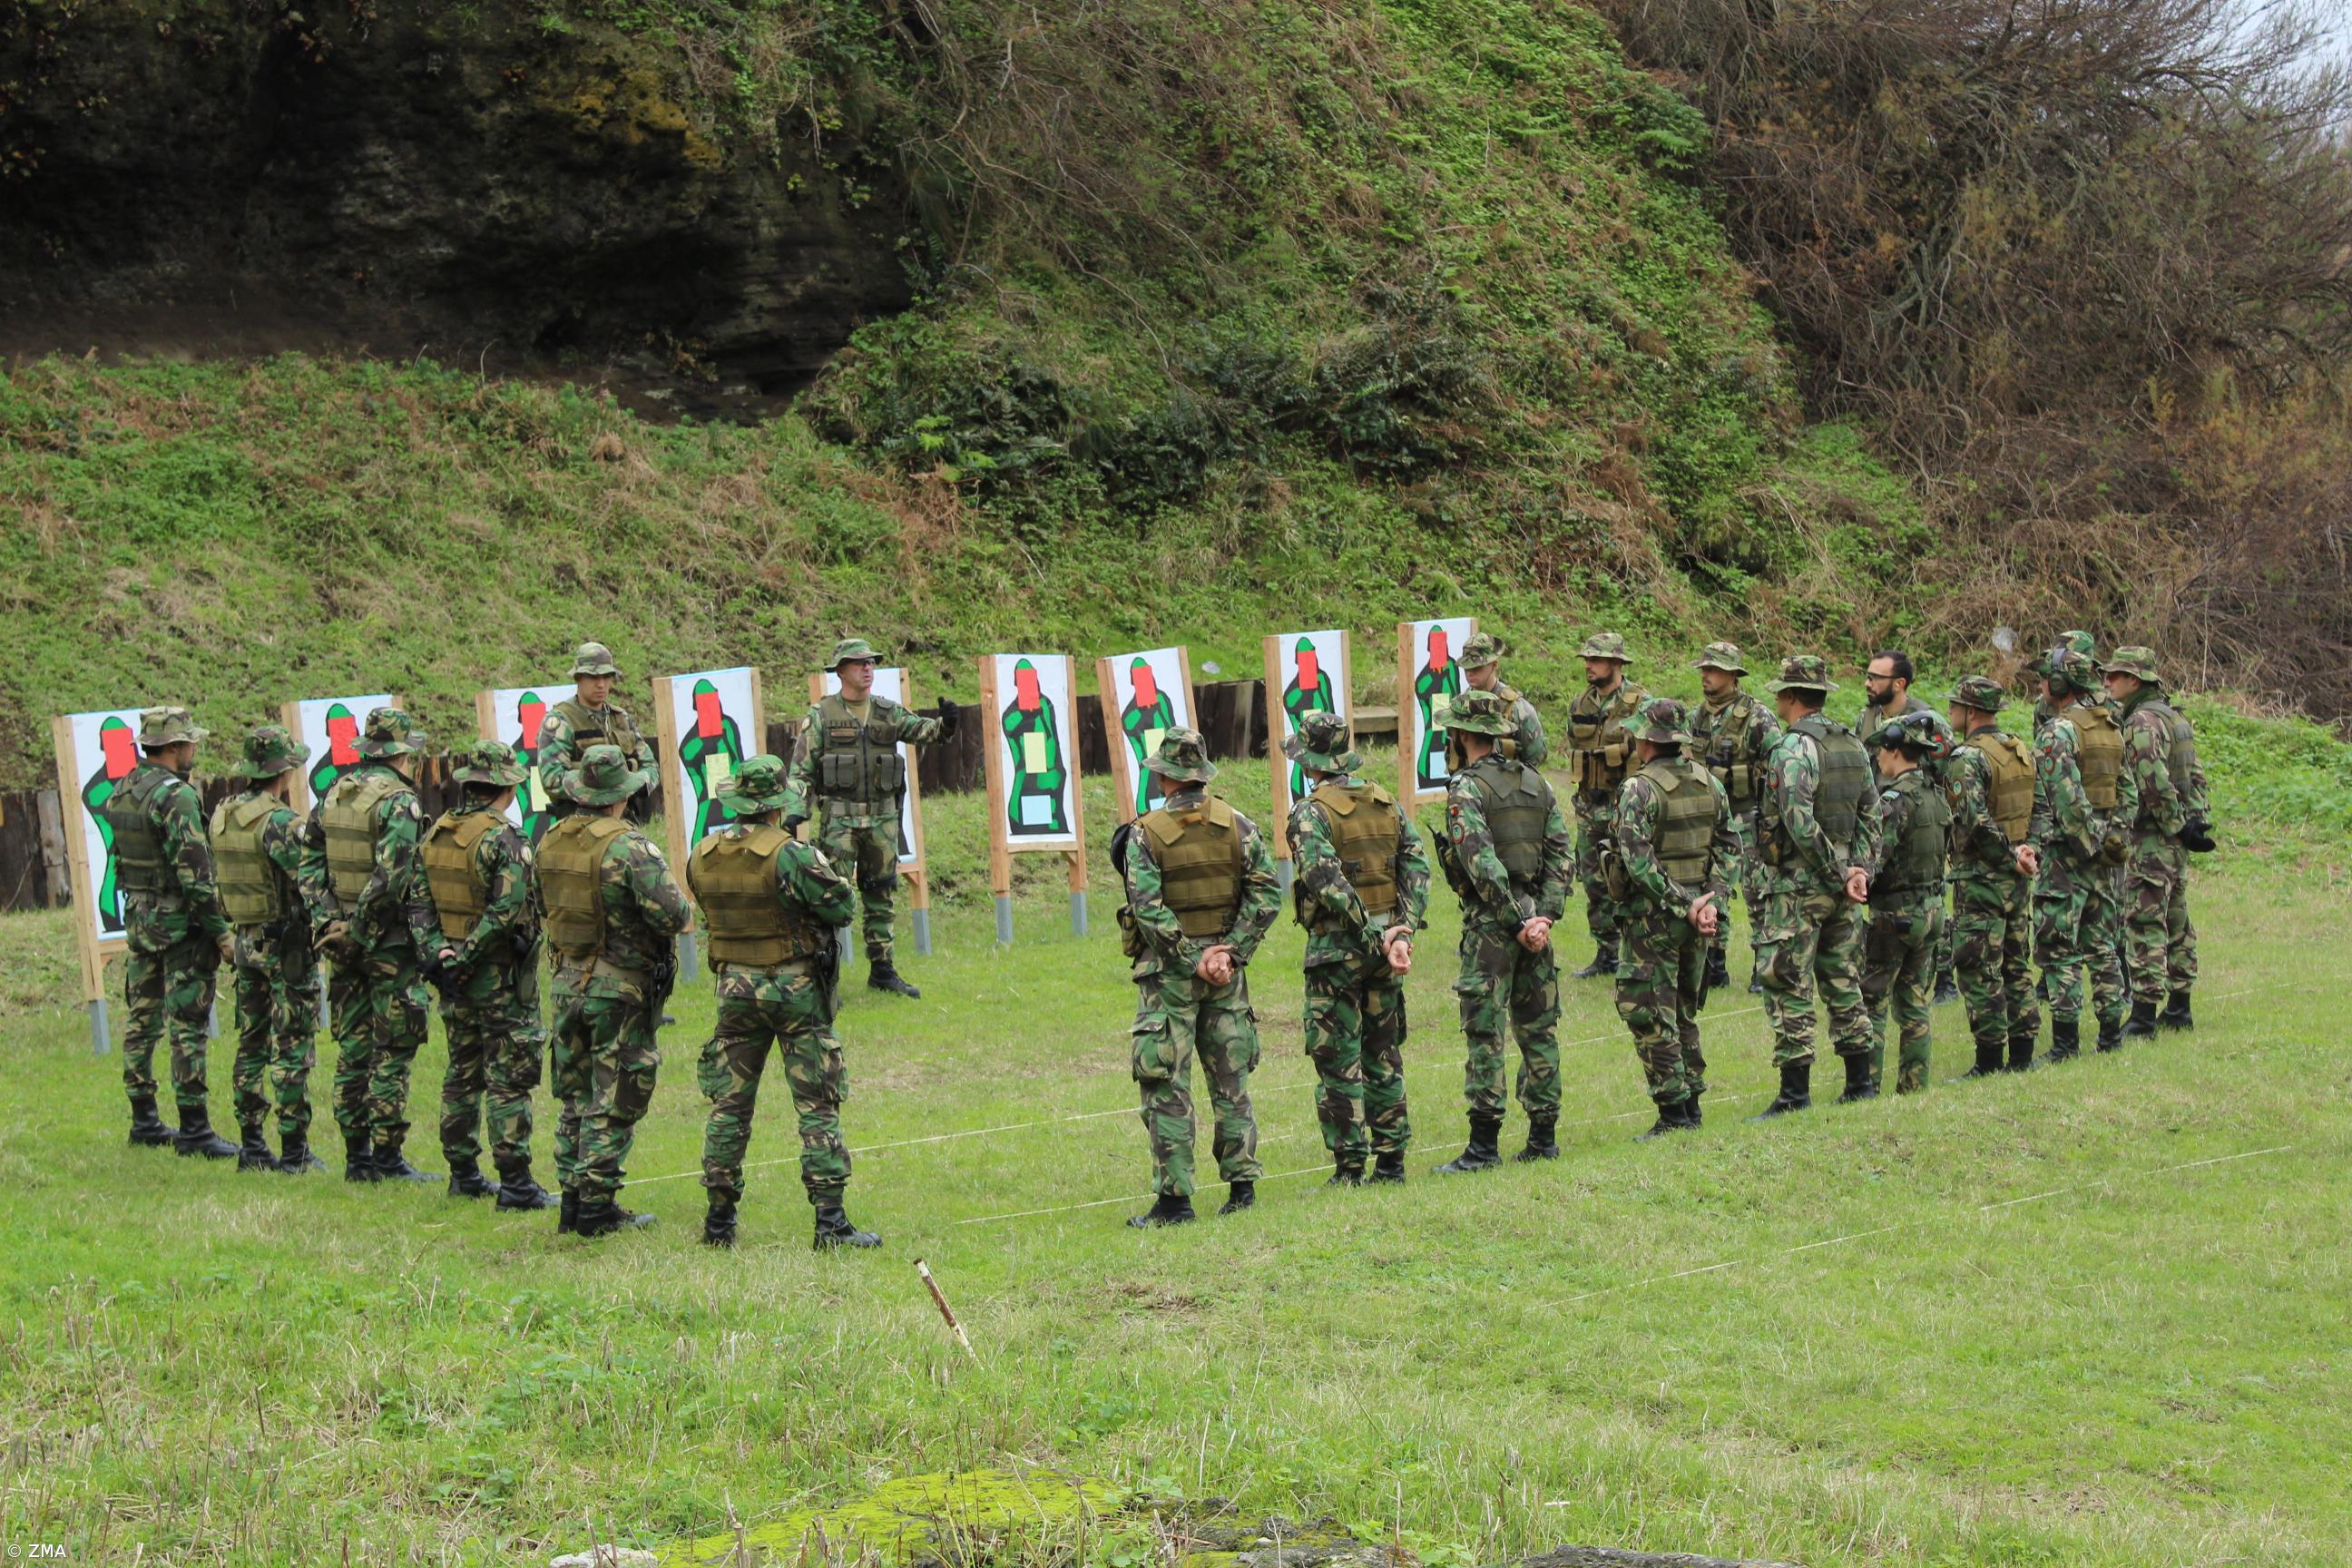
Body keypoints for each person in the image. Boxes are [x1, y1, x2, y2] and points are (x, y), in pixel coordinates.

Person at [690, 754, 878, 1250]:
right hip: (793, 989)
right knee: (817, 1106)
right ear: (777, 805)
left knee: (728, 1107)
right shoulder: (791, 854)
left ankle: (718, 1223)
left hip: (733, 988)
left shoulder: (703, 852)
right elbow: (841, 906)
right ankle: (831, 1223)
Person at [1115, 729, 1281, 1227]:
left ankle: (1175, 1202)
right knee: (1231, 1080)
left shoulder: (1145, 833)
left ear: (1164, 776)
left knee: (1168, 1083)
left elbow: (1148, 909)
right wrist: (1229, 953)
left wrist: (1192, 957)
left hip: (1169, 977)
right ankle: (1243, 1188)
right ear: (1202, 774)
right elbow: (1268, 895)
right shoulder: (1240, 825)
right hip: (1226, 974)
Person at [538, 745, 691, 1237]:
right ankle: (598, 1209)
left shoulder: (551, 841)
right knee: (614, 1095)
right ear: (620, 798)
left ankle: (571, 1201)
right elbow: (675, 916)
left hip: (565, 981)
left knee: (574, 1096)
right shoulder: (630, 848)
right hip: (618, 987)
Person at [1282, 710, 1430, 1185]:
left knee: (1338, 1059)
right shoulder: (1386, 802)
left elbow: (1325, 882)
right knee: (1383, 1055)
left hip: (1336, 952)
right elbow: (1416, 866)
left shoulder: (1310, 813)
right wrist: (1400, 930)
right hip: (1385, 951)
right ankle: (1391, 1163)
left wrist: (1373, 933)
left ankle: (1349, 1168)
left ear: (1309, 762)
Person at [1430, 688, 1573, 1171]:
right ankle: (1543, 1137)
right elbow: (1561, 856)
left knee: (1486, 1030)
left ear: (1463, 735)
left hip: (1495, 926)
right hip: (1534, 921)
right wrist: (1543, 917)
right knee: (1539, 1029)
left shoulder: (1466, 788)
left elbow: (1479, 862)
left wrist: (1515, 921)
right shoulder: (1537, 783)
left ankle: (1483, 1147)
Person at [304, 707, 438, 1183]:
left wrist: (330, 924)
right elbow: (392, 876)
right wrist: (360, 932)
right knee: (393, 1048)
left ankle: (357, 1157)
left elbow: (309, 862)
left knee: (354, 1047)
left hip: (343, 944)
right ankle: (387, 1157)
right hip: (387, 945)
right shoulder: (399, 802)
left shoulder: (334, 794)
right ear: (403, 754)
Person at [420, 740, 557, 1209]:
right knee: (509, 1079)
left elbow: (419, 903)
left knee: (461, 1071)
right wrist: (470, 955)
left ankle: (462, 1173)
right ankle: (516, 1183)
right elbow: (506, 909)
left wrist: (440, 954)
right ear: (504, 787)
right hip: (498, 978)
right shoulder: (506, 838)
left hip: (453, 976)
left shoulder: (437, 832)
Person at [781, 637, 958, 999]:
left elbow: (924, 732)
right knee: (830, 897)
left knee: (881, 894)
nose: (868, 669)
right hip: (839, 823)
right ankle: (824, 975)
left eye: (872, 663)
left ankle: (882, 970)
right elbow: (801, 770)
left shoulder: (887, 711)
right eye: (860, 663)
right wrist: (794, 810)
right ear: (841, 670)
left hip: (882, 820)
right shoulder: (821, 716)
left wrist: (947, 724)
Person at [1749, 656, 1883, 1116]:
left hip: (1797, 887)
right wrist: (1857, 870)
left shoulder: (1793, 749)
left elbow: (1798, 821)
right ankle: (1860, 1082)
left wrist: (1835, 871)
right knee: (1844, 979)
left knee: (1787, 982)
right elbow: (1871, 812)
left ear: (1788, 697)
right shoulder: (1853, 745)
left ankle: (1794, 1094)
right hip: (1843, 887)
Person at [103, 706, 238, 1159]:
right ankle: (195, 1129)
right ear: (176, 747)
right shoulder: (175, 796)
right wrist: (220, 932)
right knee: (187, 1026)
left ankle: (144, 1120)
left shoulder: (124, 789)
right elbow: (196, 876)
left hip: (141, 921)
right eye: (191, 742)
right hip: (180, 928)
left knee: (141, 1021)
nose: (195, 749)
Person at [1607, 698, 1738, 1136]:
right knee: (1683, 1010)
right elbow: (1730, 848)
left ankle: (1673, 1113)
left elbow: (1638, 862)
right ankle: (1692, 1101)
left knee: (1649, 1012)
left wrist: (1686, 903)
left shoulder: (1638, 789)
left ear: (1646, 740)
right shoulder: (1709, 783)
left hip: (1654, 920)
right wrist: (1710, 901)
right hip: (1697, 920)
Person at [209, 724, 322, 1172]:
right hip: (284, 946)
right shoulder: (278, 822)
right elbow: (308, 878)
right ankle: (294, 1151)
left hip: (245, 941)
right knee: (293, 1046)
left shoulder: (222, 814)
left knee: (252, 1043)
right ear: (284, 772)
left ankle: (252, 1145)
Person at [2031, 648, 2138, 1061]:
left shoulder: (2058, 731)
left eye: (2045, 679)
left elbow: (2067, 799)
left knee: (2059, 950)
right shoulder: (2107, 727)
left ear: (2060, 684)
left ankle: (2065, 1044)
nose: (2041, 685)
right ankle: (2111, 1035)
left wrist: (2091, 845)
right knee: (2102, 944)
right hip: (2102, 858)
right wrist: (2115, 840)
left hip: (2067, 858)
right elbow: (2127, 791)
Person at [2103, 647, 2210, 1035]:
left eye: (2116, 675)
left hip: (2153, 837)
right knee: (2177, 918)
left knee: (2146, 919)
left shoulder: (2142, 721)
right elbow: (2195, 774)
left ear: (2136, 681)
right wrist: (2196, 823)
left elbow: (2153, 782)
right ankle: (2180, 1007)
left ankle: (2145, 1014)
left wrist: (2178, 825)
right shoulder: (2174, 717)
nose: (2108, 681)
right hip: (2176, 839)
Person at [1945, 676, 2041, 1076]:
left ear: (1969, 712)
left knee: (1978, 966)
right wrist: (2026, 852)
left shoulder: (1967, 757)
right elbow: (2040, 808)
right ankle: (2022, 1055)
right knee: (2016, 962)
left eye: (1954, 706)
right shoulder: (2018, 750)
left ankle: (1988, 1061)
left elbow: (1975, 820)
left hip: (1982, 877)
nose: (1950, 712)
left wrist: (2006, 856)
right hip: (2017, 875)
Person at [1860, 713, 1951, 1094]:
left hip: (1895, 916)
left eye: (1883, 748)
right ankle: (1914, 1084)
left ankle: (1865, 1084)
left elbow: (1876, 859)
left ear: (1896, 750)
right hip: (1931, 912)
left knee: (1874, 1000)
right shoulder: (1936, 796)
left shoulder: (1894, 801)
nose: (1879, 756)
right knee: (1914, 997)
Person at [1688, 642, 1780, 993]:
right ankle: (1714, 963)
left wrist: (1770, 818)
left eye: (1712, 670)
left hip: (1747, 815)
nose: (1705, 677)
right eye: (1703, 670)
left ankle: (1763, 966)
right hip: (1709, 817)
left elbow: (1777, 768)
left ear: (1731, 675)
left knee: (1759, 894)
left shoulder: (1757, 716)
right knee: (1713, 891)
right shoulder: (1697, 717)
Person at [1563, 632, 1647, 978]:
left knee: (1630, 879)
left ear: (1615, 664)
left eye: (1595, 660)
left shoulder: (1638, 703)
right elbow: (1572, 744)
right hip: (1589, 808)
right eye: (1587, 659)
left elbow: (1649, 753)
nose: (1588, 666)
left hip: (1624, 808)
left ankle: (1637, 952)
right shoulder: (1581, 704)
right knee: (1595, 882)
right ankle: (1606, 952)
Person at [535, 642, 653, 823]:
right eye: (593, 677)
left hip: (623, 821)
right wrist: (602, 786)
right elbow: (551, 778)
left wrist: (634, 783)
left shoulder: (620, 719)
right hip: (579, 824)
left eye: (607, 677)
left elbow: (650, 765)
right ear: (578, 678)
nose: (601, 684)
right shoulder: (562, 721)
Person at [1456, 631, 1547, 764]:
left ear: (1494, 665)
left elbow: (1537, 756)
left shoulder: (1518, 709)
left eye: (1477, 667)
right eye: (1467, 667)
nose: (1470, 673)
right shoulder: (1460, 706)